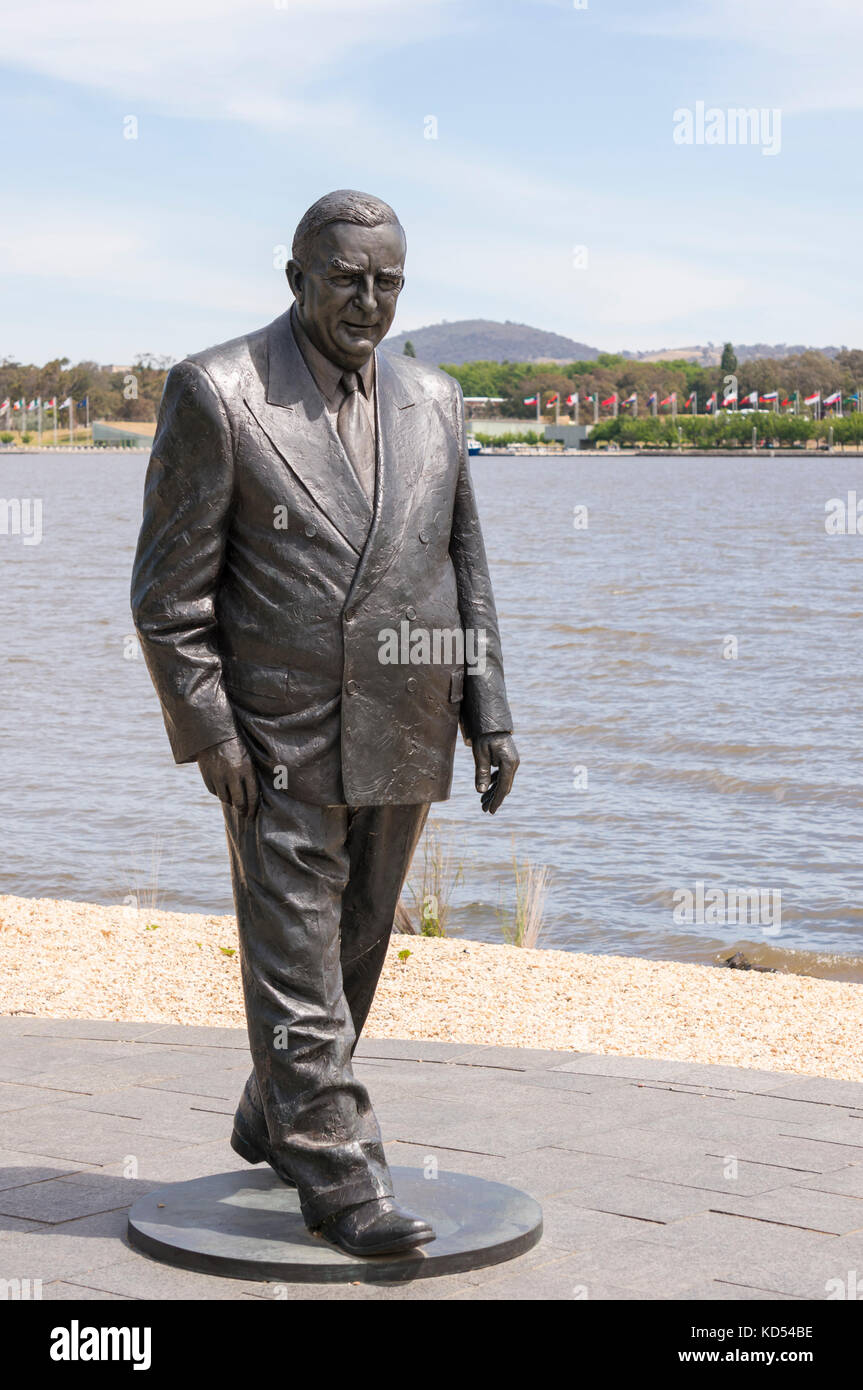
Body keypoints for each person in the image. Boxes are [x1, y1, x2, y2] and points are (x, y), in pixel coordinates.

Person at [131, 190, 518, 1256]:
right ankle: (342, 1176)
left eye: (387, 281)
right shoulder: (218, 391)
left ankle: (275, 1107)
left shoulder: (435, 398)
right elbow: (167, 594)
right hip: (277, 737)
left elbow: (462, 562)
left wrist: (487, 709)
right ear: (296, 275)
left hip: (408, 719)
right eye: (346, 278)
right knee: (296, 959)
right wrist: (210, 729)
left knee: (353, 950)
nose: (367, 300)